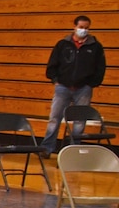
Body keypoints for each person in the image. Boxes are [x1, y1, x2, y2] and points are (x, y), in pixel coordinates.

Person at [41, 14, 105, 152]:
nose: (84, 30)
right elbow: (52, 64)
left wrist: (91, 84)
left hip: (83, 88)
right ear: (75, 27)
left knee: (80, 120)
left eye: (87, 28)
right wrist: (55, 80)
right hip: (62, 86)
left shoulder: (95, 47)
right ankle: (47, 148)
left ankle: (74, 149)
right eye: (81, 27)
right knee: (54, 118)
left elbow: (100, 67)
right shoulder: (62, 44)